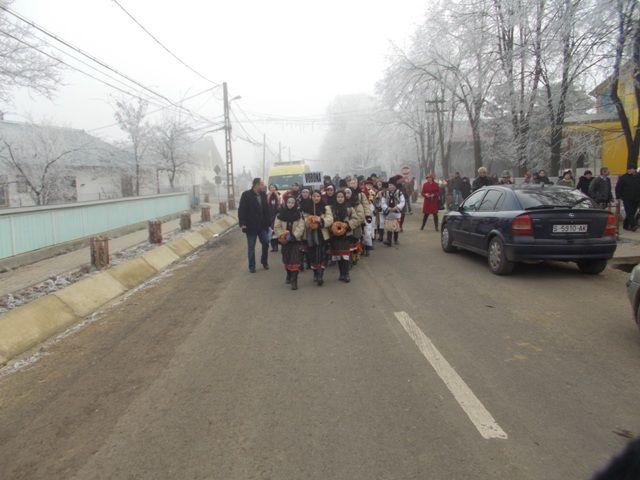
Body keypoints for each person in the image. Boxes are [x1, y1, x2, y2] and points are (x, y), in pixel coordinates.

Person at [238, 178, 271, 273]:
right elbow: (242, 209)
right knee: (251, 247)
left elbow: (266, 209)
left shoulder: (263, 194)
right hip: (250, 226)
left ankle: (264, 261)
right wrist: (242, 223)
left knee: (266, 242)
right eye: (262, 184)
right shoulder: (246, 195)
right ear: (256, 185)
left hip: (262, 226)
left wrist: (268, 222)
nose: (263, 186)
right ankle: (252, 266)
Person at [300, 190, 333, 286]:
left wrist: (320, 220)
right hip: (310, 235)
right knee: (312, 255)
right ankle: (315, 273)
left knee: (322, 254)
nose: (316, 198)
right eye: (314, 196)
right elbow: (303, 220)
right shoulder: (306, 207)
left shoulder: (326, 207)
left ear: (320, 197)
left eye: (318, 196)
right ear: (311, 197)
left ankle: (320, 275)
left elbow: (330, 219)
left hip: (322, 234)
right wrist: (310, 220)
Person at [274, 196, 305, 290]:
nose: (290, 204)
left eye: (292, 203)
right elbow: (277, 227)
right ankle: (289, 274)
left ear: (295, 204)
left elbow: (301, 226)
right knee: (286, 259)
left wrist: (294, 236)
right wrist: (283, 235)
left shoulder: (299, 214)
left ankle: (294, 281)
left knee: (295, 260)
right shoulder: (280, 214)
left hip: (295, 241)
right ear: (286, 203)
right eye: (289, 202)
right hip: (285, 241)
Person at [329, 190, 358, 282]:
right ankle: (341, 274)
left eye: (342, 197)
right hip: (335, 236)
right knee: (338, 255)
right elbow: (328, 219)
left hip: (346, 235)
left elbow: (355, 219)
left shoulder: (349, 208)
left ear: (344, 198)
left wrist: (347, 224)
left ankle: (346, 274)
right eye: (338, 197)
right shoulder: (332, 208)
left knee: (345, 255)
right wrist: (332, 226)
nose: (340, 199)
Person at [381, 180, 406, 246]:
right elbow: (383, 202)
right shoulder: (385, 193)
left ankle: (396, 239)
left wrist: (396, 207)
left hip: (396, 212)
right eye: (389, 185)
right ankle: (389, 240)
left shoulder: (399, 193)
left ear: (394, 185)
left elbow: (402, 202)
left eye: (391, 185)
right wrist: (387, 208)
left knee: (396, 227)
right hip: (389, 211)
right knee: (389, 226)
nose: (390, 186)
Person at [266, 184, 281, 252]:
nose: (272, 188)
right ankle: (273, 246)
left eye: (273, 187)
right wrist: (269, 195)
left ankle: (277, 245)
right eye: (271, 187)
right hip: (269, 216)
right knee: (271, 231)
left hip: (277, 216)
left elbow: (280, 203)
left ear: (276, 188)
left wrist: (276, 194)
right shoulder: (267, 195)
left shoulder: (278, 195)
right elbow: (266, 203)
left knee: (276, 230)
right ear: (269, 189)